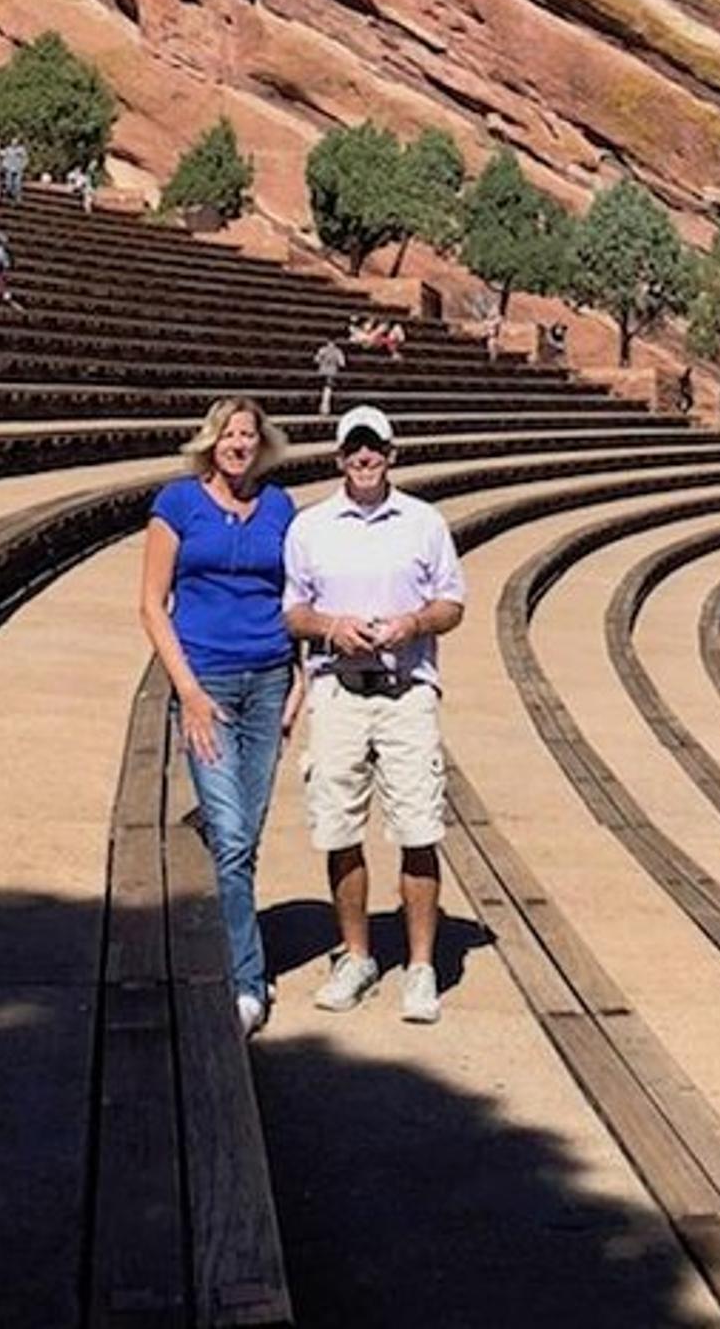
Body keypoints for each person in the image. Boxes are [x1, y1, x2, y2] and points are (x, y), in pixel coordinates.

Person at [282, 405, 466, 1024]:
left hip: (406, 688)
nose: (364, 458)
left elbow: (451, 603)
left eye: (375, 447)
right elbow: (294, 611)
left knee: (419, 829)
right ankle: (357, 956)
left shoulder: (423, 523)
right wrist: (334, 628)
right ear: (339, 458)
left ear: (392, 453)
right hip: (337, 687)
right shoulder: (311, 527)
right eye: (354, 449)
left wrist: (412, 623)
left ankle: (420, 966)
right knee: (339, 830)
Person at [140, 398, 302, 1037]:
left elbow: (300, 596)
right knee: (232, 838)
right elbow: (153, 606)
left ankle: (216, 933)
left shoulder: (281, 506)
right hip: (206, 680)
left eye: (249, 436)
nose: (239, 444)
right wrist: (190, 693)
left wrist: (303, 684)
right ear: (211, 442)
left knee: (244, 838)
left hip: (269, 679)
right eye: (229, 434)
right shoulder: (178, 503)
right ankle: (246, 981)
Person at [314, 338, 345, 418]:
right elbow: (342, 363)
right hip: (329, 373)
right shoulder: (336, 351)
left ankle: (324, 409)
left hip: (325, 372)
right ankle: (324, 409)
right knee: (327, 391)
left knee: (326, 391)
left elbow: (316, 360)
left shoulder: (324, 350)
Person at [1, 140, 28, 204]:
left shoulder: (21, 149)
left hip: (18, 169)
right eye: (13, 142)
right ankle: (9, 196)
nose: (14, 143)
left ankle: (17, 198)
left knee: (17, 184)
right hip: (9, 169)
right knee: (9, 184)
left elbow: (25, 158)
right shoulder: (8, 149)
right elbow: (4, 158)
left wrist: (23, 166)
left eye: (15, 142)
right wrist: (5, 166)